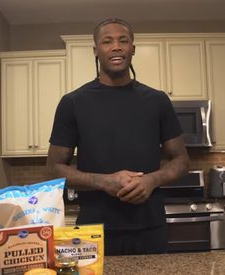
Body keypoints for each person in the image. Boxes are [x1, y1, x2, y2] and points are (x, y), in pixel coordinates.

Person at [46, 18, 190, 256]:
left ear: (132, 49)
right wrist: (104, 182)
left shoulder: (157, 101)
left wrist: (151, 180)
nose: (116, 46)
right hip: (94, 230)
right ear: (96, 50)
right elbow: (54, 168)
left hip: (150, 227)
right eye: (107, 41)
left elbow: (182, 161)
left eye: (123, 40)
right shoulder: (73, 103)